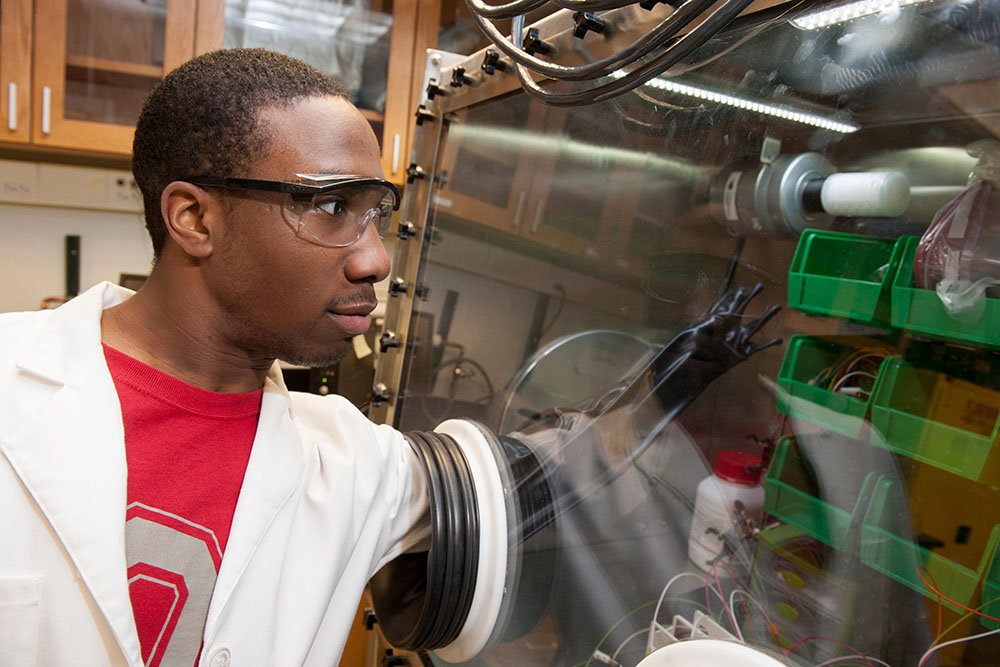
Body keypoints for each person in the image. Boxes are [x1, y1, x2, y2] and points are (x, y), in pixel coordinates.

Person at [0, 48, 429, 667]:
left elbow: (552, 479)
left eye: (376, 216)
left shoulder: (357, 463)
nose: (375, 261)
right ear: (194, 217)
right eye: (333, 207)